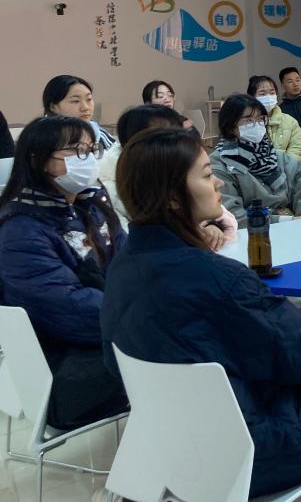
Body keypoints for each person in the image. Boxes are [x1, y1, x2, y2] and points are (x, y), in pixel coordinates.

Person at [102, 128, 301, 500]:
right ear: (173, 197)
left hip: (170, 446)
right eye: (207, 175)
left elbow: (242, 339)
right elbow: (299, 355)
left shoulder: (123, 266)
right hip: (250, 449)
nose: (218, 182)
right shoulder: (219, 277)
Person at [0, 116, 129, 431]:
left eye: (91, 150)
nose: (89, 159)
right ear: (39, 161)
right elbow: (68, 309)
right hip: (65, 368)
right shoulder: (21, 231)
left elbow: (133, 266)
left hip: (109, 335)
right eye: (76, 151)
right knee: (186, 348)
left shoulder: (92, 206)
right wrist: (143, 314)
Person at [98, 104, 237, 248]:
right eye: (163, 134)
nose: (174, 139)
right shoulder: (112, 192)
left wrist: (213, 225)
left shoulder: (183, 165)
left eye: (176, 131)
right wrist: (194, 233)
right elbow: (130, 243)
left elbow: (220, 213)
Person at [209, 94, 301, 227]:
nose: (256, 125)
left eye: (260, 119)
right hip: (252, 233)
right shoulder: (220, 164)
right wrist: (283, 221)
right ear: (230, 127)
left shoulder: (277, 157)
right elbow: (231, 215)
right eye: (248, 120)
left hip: (296, 227)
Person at [43, 75, 116, 150]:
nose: (85, 108)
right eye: (75, 101)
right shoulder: (42, 138)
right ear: (53, 107)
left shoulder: (99, 134)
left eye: (89, 99)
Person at [247, 75, 301, 162]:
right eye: (262, 94)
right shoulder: (245, 123)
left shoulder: (290, 121)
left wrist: (284, 166)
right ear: (251, 97)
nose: (268, 97)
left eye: (272, 93)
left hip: (287, 168)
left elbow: (297, 149)